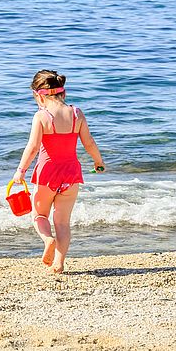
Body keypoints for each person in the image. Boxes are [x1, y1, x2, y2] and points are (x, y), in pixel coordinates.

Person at [13, 69, 105, 274]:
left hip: (47, 174)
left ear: (38, 95)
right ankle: (59, 263)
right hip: (71, 174)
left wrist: (20, 171)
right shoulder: (76, 113)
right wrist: (98, 161)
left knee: (39, 215)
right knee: (62, 222)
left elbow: (33, 147)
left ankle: (48, 240)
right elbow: (89, 143)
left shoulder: (41, 116)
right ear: (63, 92)